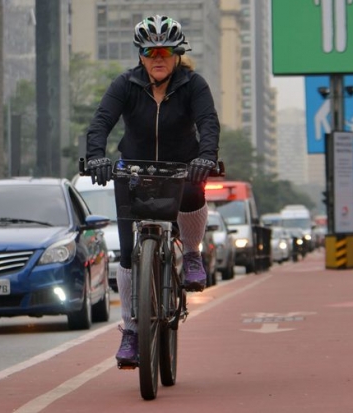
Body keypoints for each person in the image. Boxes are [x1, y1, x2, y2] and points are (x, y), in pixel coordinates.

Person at [85, 15, 220, 366]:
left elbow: (208, 123)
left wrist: (206, 157)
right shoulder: (125, 85)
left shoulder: (193, 85)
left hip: (181, 168)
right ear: (140, 55)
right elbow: (101, 121)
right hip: (133, 171)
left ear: (177, 54)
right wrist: (96, 157)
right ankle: (131, 331)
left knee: (196, 189)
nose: (157, 58)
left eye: (165, 51)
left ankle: (191, 254)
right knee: (128, 255)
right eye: (150, 51)